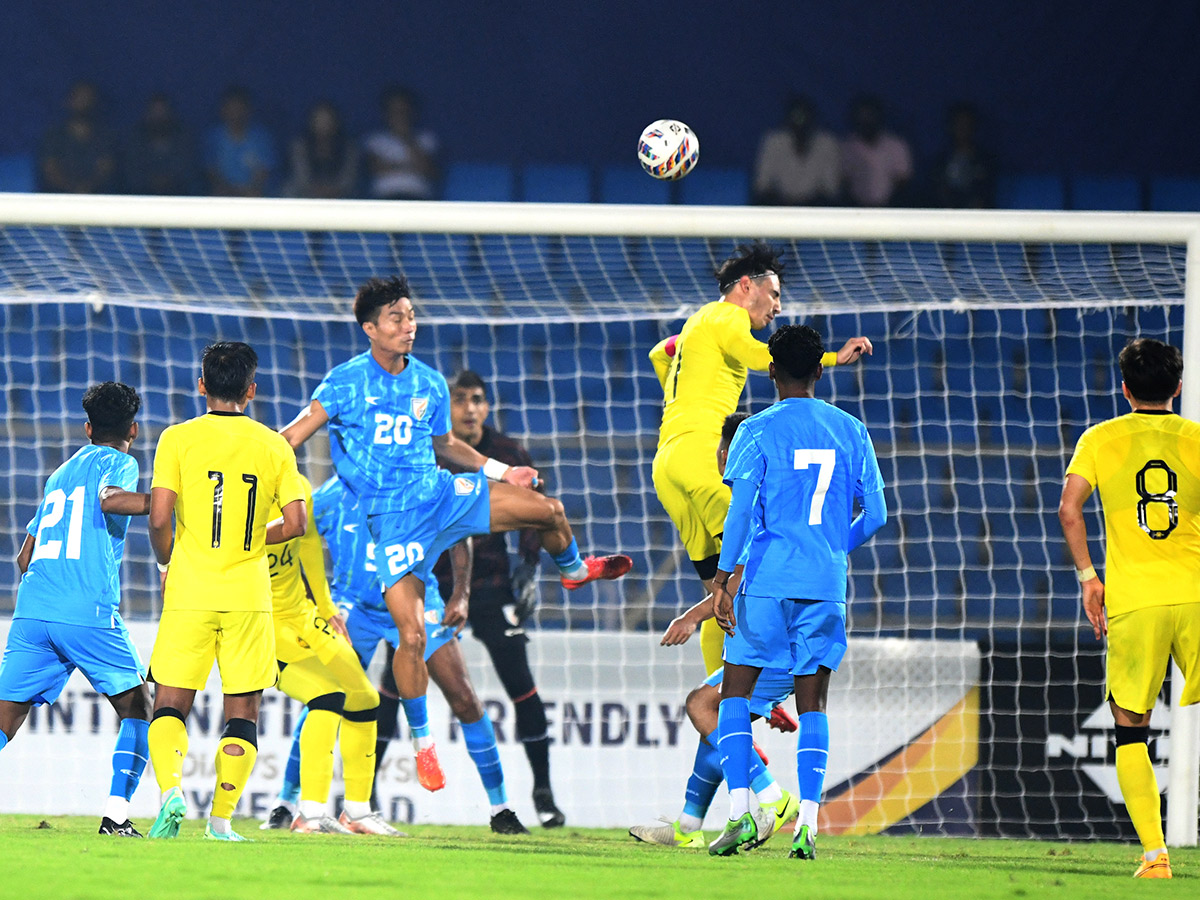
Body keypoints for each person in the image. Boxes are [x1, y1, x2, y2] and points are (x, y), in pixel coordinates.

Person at [279, 275, 632, 798]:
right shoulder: (343, 383)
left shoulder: (429, 383)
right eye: (397, 317)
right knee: (413, 637)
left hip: (442, 494)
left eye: (412, 315)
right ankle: (424, 747)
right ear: (369, 328)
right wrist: (248, 459)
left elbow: (445, 442)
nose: (409, 325)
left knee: (548, 509)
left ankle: (575, 571)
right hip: (394, 524)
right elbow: (289, 438)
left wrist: (498, 470)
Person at [649, 242, 872, 676]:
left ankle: (718, 691)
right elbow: (760, 356)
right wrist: (830, 358)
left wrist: (687, 353)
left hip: (668, 461)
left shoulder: (700, 321)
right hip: (702, 453)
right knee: (747, 568)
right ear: (746, 286)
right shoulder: (729, 316)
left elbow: (661, 352)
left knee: (719, 590)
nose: (777, 308)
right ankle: (743, 692)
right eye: (773, 296)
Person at [708, 324, 887, 858]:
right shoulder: (852, 430)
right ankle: (808, 823)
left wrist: (722, 578)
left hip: (765, 581)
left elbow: (740, 510)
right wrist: (831, 549)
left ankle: (741, 813)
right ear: (818, 370)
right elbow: (875, 515)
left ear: (770, 372)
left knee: (733, 696)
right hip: (824, 582)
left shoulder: (756, 430)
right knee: (813, 702)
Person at [145, 341, 307, 842]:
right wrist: (256, 537)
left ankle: (171, 793)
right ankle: (220, 821)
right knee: (243, 711)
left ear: (202, 385)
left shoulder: (177, 438)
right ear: (251, 391)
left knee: (170, 703)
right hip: (248, 596)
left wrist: (166, 560)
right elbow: (297, 522)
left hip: (190, 589)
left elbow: (157, 516)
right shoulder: (274, 445)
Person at [309, 476, 531, 834]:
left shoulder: (417, 476)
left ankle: (501, 808)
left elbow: (459, 535)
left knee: (464, 698)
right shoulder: (337, 488)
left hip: (416, 600)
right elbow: (299, 530)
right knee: (325, 699)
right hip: (357, 607)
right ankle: (291, 804)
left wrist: (461, 593)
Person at [1058, 338, 1200, 880]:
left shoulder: (1100, 438)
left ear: (1125, 389)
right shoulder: (1195, 438)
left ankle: (1155, 856)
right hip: (1194, 592)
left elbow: (1070, 510)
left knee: (1130, 724)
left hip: (1135, 600)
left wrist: (1090, 578)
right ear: (1178, 387)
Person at [631, 413, 798, 849]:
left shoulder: (742, 506)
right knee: (716, 719)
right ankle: (687, 829)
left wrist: (691, 616)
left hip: (771, 636)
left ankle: (772, 797)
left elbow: (737, 581)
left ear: (727, 453)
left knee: (703, 707)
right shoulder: (767, 498)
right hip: (773, 633)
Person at [0, 382, 152, 836]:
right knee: (138, 707)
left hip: (32, 609)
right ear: (135, 429)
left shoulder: (59, 474)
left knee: (7, 715)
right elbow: (110, 499)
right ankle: (116, 817)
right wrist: (164, 503)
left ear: (87, 427)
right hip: (85, 608)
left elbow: (23, 557)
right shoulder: (121, 461)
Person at [431, 370, 566, 827]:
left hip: (490, 586)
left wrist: (529, 569)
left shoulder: (508, 454)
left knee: (522, 687)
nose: (470, 408)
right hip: (432, 583)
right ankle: (364, 798)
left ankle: (544, 794)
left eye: (478, 400)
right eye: (461, 400)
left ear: (487, 407)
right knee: (396, 683)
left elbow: (536, 515)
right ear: (447, 406)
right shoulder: (434, 450)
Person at [265, 474, 399, 836]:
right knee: (326, 695)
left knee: (365, 697)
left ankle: (356, 811)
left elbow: (307, 543)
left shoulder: (297, 486)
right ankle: (308, 813)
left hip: (304, 614)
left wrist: (324, 607)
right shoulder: (230, 497)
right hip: (260, 623)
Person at [752, 96, 841, 206]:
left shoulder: (827, 143)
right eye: (795, 117)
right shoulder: (773, 142)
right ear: (787, 119)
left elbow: (832, 190)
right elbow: (762, 186)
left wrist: (806, 205)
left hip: (816, 211)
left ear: (812, 119)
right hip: (780, 210)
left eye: (804, 116)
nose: (800, 122)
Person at [38, 80, 118, 194]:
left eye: (88, 98)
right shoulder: (53, 136)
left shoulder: (106, 137)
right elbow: (50, 169)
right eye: (79, 98)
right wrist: (72, 190)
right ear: (68, 101)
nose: (84, 102)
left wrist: (86, 188)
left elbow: (106, 168)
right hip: (58, 200)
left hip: (97, 200)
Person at [364, 86, 439, 200]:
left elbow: (427, 169)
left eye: (403, 111)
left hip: (418, 198)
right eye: (394, 111)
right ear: (386, 113)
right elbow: (376, 169)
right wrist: (410, 166)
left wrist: (406, 137)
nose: (399, 116)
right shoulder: (374, 140)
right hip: (384, 199)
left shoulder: (426, 139)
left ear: (412, 112)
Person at [840, 95, 913, 207]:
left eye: (870, 115)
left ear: (879, 116)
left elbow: (903, 180)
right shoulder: (847, 147)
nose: (867, 121)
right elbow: (844, 182)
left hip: (891, 208)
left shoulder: (896, 145)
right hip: (857, 209)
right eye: (862, 116)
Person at [204, 86, 277, 197]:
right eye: (231, 108)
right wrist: (228, 189)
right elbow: (211, 171)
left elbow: (264, 171)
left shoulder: (261, 137)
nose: (235, 113)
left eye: (239, 108)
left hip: (254, 191)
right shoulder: (214, 137)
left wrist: (250, 189)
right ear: (223, 110)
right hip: (223, 191)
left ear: (248, 110)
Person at [124, 94, 198, 196]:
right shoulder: (134, 141)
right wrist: (151, 182)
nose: (158, 117)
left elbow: (189, 173)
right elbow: (130, 174)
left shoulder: (184, 141)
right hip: (141, 199)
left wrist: (169, 181)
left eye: (162, 112)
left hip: (178, 199)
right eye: (154, 112)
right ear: (147, 115)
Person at [285, 100, 359, 199]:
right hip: (306, 192)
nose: (323, 124)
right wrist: (315, 189)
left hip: (340, 193)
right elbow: (301, 175)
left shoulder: (349, 147)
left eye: (327, 120)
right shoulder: (300, 146)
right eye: (319, 120)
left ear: (336, 122)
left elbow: (349, 176)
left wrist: (333, 190)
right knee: (288, 190)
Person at [933, 102, 994, 209]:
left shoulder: (986, 160)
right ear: (951, 126)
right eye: (959, 124)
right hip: (946, 215)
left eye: (966, 124)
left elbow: (986, 191)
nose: (962, 129)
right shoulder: (940, 161)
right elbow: (937, 192)